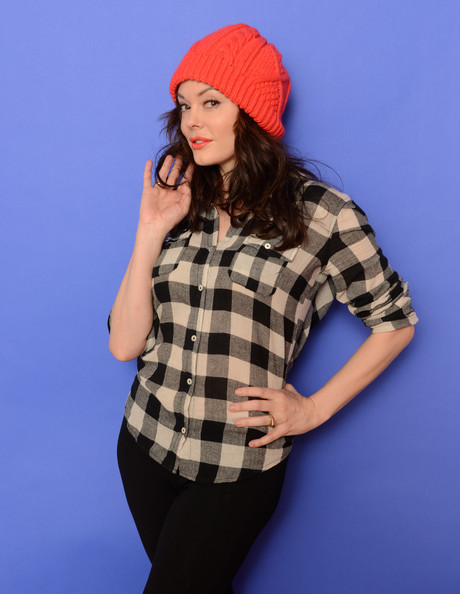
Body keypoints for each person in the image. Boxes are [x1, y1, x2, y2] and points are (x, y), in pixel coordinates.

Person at [108, 23, 417, 594]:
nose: (191, 121)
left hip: (235, 467)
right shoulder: (179, 200)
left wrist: (313, 410)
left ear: (250, 113)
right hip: (144, 442)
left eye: (211, 102)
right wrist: (149, 231)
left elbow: (395, 322)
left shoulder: (323, 214)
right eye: (184, 105)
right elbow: (124, 345)